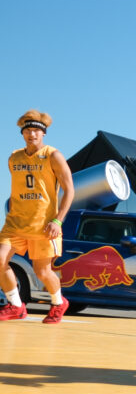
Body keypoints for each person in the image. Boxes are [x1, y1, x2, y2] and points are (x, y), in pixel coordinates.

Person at [0, 110, 75, 323]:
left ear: (43, 133)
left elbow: (70, 190)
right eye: (28, 131)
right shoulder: (14, 158)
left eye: (36, 130)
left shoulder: (53, 156)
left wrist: (58, 220)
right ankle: (16, 305)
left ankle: (58, 302)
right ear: (22, 133)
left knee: (42, 272)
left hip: (43, 225)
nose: (31, 134)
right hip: (15, 223)